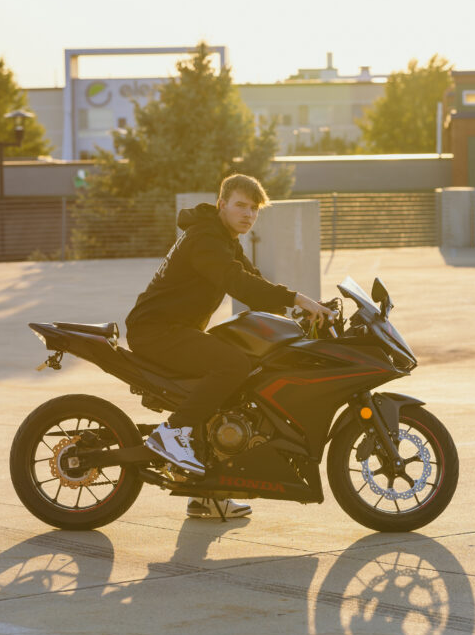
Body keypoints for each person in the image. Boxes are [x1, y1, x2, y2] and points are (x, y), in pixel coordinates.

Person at [125, 173, 334, 519]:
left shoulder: (224, 238)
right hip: (157, 333)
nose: (248, 214)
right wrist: (297, 298)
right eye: (241, 206)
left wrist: (302, 314)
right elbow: (236, 282)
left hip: (174, 331)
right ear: (221, 204)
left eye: (254, 209)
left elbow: (255, 283)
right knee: (233, 365)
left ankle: (206, 494)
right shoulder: (205, 239)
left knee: (236, 381)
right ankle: (171, 434)